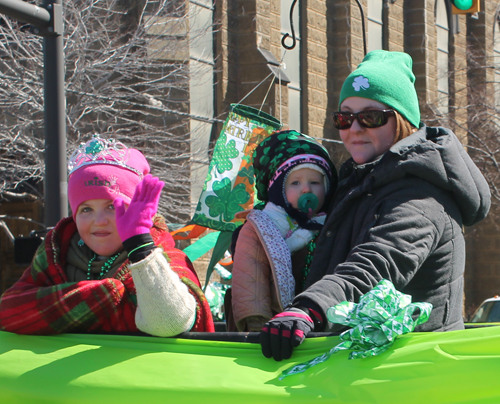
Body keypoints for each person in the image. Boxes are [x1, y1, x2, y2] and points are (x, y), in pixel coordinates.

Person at [260, 50, 491, 361]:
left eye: (371, 117)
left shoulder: (420, 195)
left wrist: (308, 309)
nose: (354, 129)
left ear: (401, 120)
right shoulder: (358, 185)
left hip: (415, 374)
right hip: (360, 367)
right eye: (344, 117)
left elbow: (375, 266)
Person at [0, 135, 214, 335]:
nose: (99, 220)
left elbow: (171, 323)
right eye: (86, 210)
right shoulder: (54, 255)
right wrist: (103, 295)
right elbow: (10, 312)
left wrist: (141, 248)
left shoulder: (166, 257)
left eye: (112, 206)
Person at [228, 130, 337, 332]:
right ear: (279, 190)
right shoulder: (261, 226)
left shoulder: (332, 222)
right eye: (295, 183)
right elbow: (250, 278)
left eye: (315, 182)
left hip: (318, 321)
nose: (306, 189)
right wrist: (257, 324)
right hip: (271, 322)